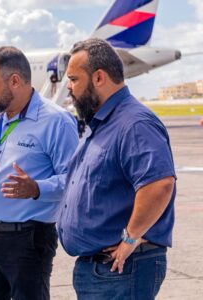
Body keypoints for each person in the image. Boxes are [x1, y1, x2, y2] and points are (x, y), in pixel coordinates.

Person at [0, 46, 79, 300]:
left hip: (28, 239)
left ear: (14, 81)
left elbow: (74, 180)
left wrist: (36, 188)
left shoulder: (56, 121)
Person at [58, 38, 176, 299]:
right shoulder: (102, 122)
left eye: (74, 79)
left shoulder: (134, 123)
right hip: (101, 269)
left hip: (122, 268)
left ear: (99, 77)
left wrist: (130, 239)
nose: (68, 87)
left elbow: (159, 184)